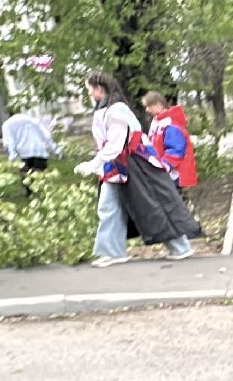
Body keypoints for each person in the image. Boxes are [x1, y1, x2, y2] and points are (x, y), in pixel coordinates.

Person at [76, 72, 197, 264]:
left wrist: (94, 163)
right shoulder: (109, 110)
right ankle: (113, 252)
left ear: (99, 89)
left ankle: (179, 247)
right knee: (117, 206)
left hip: (133, 164)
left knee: (151, 206)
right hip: (121, 165)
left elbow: (116, 144)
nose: (89, 93)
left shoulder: (116, 111)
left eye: (89, 88)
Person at [142, 92, 198, 190]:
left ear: (159, 105)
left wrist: (164, 165)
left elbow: (176, 149)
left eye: (149, 106)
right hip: (164, 172)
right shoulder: (157, 122)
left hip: (173, 174)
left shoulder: (170, 123)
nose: (147, 110)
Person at [1, 104, 57, 176]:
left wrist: (12, 157)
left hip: (22, 154)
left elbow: (8, 143)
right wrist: (55, 149)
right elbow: (46, 135)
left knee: (27, 180)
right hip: (39, 151)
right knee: (40, 177)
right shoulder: (33, 120)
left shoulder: (7, 124)